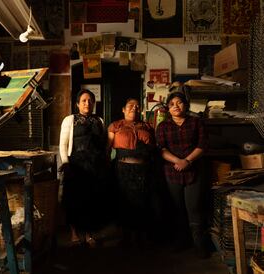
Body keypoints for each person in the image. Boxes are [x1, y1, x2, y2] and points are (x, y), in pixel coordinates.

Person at [155, 92, 209, 258]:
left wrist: (187, 161)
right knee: (176, 209)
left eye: (179, 103)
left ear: (186, 105)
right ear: (168, 108)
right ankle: (181, 241)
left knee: (194, 208)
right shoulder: (163, 126)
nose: (176, 106)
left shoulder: (196, 122)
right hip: (172, 172)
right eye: (172, 104)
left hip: (193, 170)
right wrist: (177, 161)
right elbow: (161, 149)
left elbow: (202, 145)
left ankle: (199, 244)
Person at [59, 89, 108, 247]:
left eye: (90, 100)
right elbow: (63, 145)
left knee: (92, 201)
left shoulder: (99, 120)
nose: (88, 103)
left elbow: (104, 144)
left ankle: (88, 234)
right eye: (84, 100)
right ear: (77, 104)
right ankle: (74, 233)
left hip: (95, 167)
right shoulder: (70, 120)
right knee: (74, 200)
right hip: (76, 166)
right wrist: (66, 164)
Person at [107, 98, 155, 245]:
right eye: (130, 106)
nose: (133, 108)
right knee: (124, 202)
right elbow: (107, 149)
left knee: (143, 202)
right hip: (122, 170)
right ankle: (125, 236)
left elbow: (154, 149)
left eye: (137, 106)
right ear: (123, 109)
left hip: (143, 170)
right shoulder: (115, 126)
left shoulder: (147, 126)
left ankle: (140, 236)